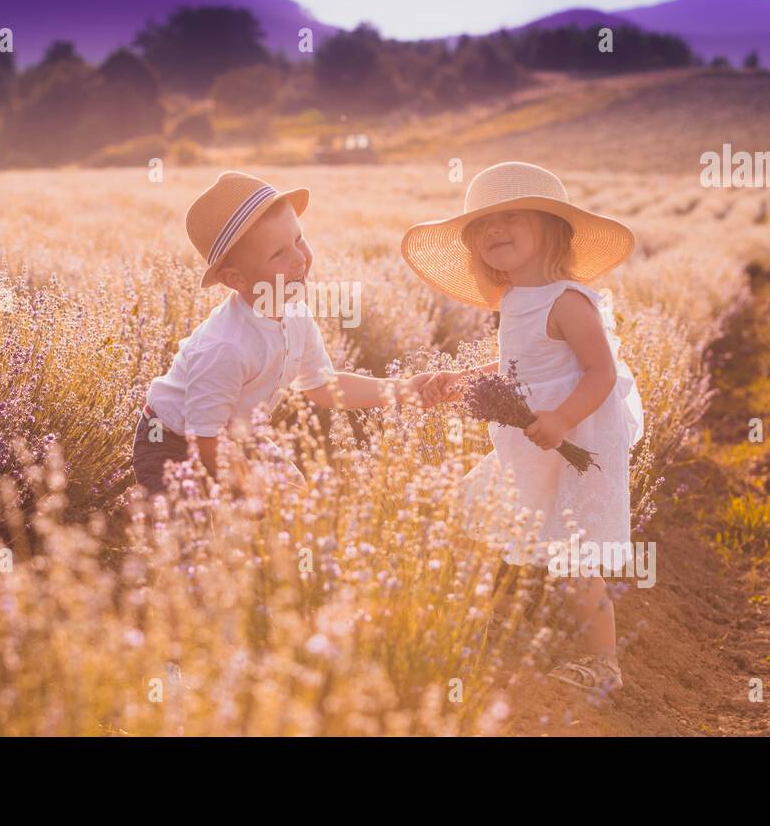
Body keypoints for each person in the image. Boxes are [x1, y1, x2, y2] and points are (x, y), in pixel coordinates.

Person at [401, 161, 644, 692]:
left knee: (574, 555)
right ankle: (472, 619)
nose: (494, 230)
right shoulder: (515, 300)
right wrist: (463, 378)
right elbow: (517, 368)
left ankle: (604, 665)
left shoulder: (569, 301)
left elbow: (601, 372)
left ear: (550, 226)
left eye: (510, 216)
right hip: (533, 442)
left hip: (571, 439)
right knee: (478, 510)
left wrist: (561, 419)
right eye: (481, 226)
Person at [133, 169, 435, 497]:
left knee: (293, 492)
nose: (299, 259)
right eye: (278, 254)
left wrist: (402, 389)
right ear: (236, 279)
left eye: (298, 240)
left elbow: (324, 387)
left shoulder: (296, 314)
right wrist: (250, 488)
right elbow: (205, 438)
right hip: (172, 441)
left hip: (233, 432)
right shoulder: (226, 346)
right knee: (195, 525)